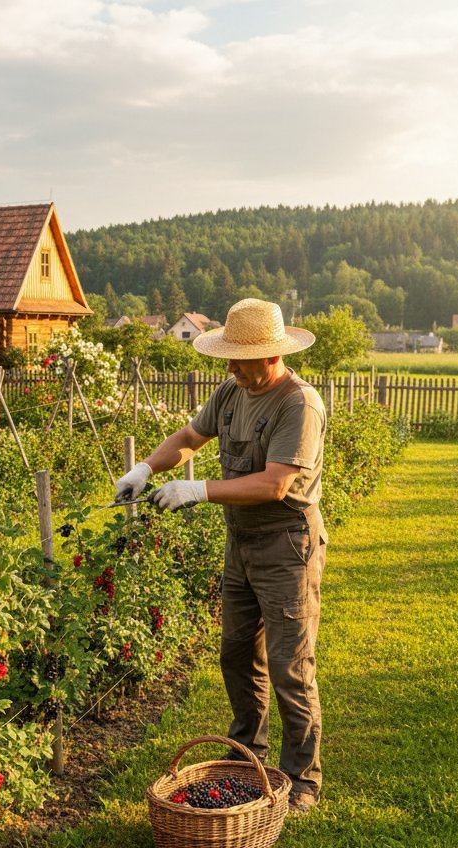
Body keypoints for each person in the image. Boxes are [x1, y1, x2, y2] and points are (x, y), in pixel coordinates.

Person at [114, 297, 327, 814]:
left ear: (272, 354)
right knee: (236, 654)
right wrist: (146, 468)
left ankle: (302, 780)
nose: (231, 368)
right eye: (228, 356)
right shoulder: (233, 391)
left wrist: (198, 490)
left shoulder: (298, 404)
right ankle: (248, 754)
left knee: (290, 664)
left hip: (287, 545)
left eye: (240, 359)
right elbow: (191, 437)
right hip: (242, 543)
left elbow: (275, 485)